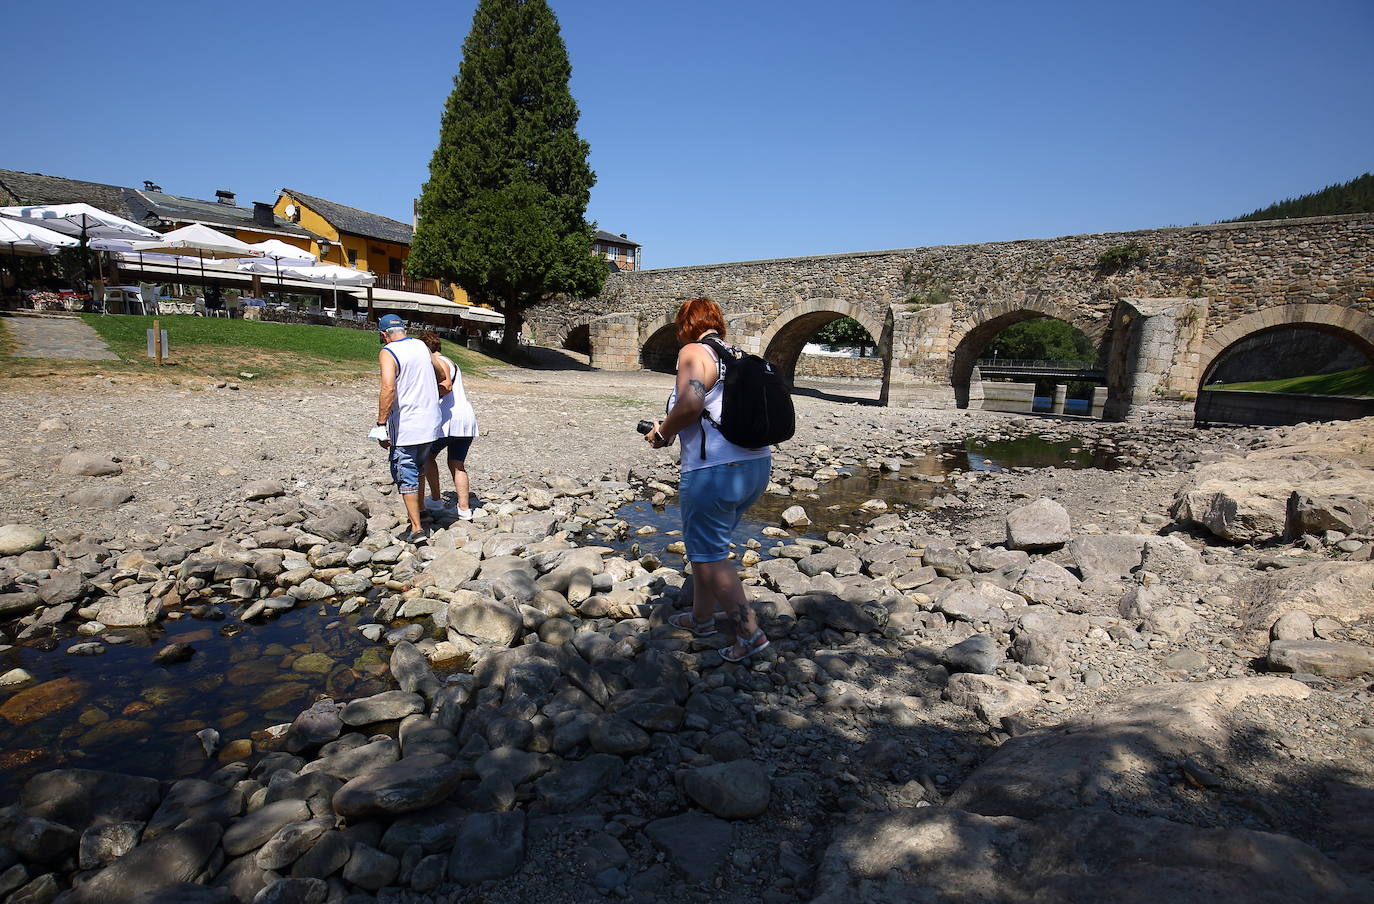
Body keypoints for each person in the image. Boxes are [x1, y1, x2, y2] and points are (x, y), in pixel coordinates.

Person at [644, 298, 772, 662]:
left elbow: (690, 404)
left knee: (711, 555)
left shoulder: (694, 352)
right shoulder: (735, 354)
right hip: (755, 466)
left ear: (686, 324)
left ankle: (750, 635)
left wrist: (663, 433)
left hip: (714, 470)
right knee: (706, 549)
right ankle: (701, 619)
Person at [369, 314, 446, 542]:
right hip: (431, 422)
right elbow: (440, 372)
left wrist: (381, 423)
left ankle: (416, 529)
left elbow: (388, 388)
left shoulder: (389, 352)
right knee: (419, 466)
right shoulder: (421, 346)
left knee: (406, 473)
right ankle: (421, 510)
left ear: (384, 335)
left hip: (407, 425)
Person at [418, 331, 478, 520]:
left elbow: (446, 386)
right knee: (457, 464)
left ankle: (435, 499)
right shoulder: (453, 362)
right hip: (466, 418)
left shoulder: (437, 362)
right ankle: (464, 508)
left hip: (448, 419)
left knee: (427, 456)